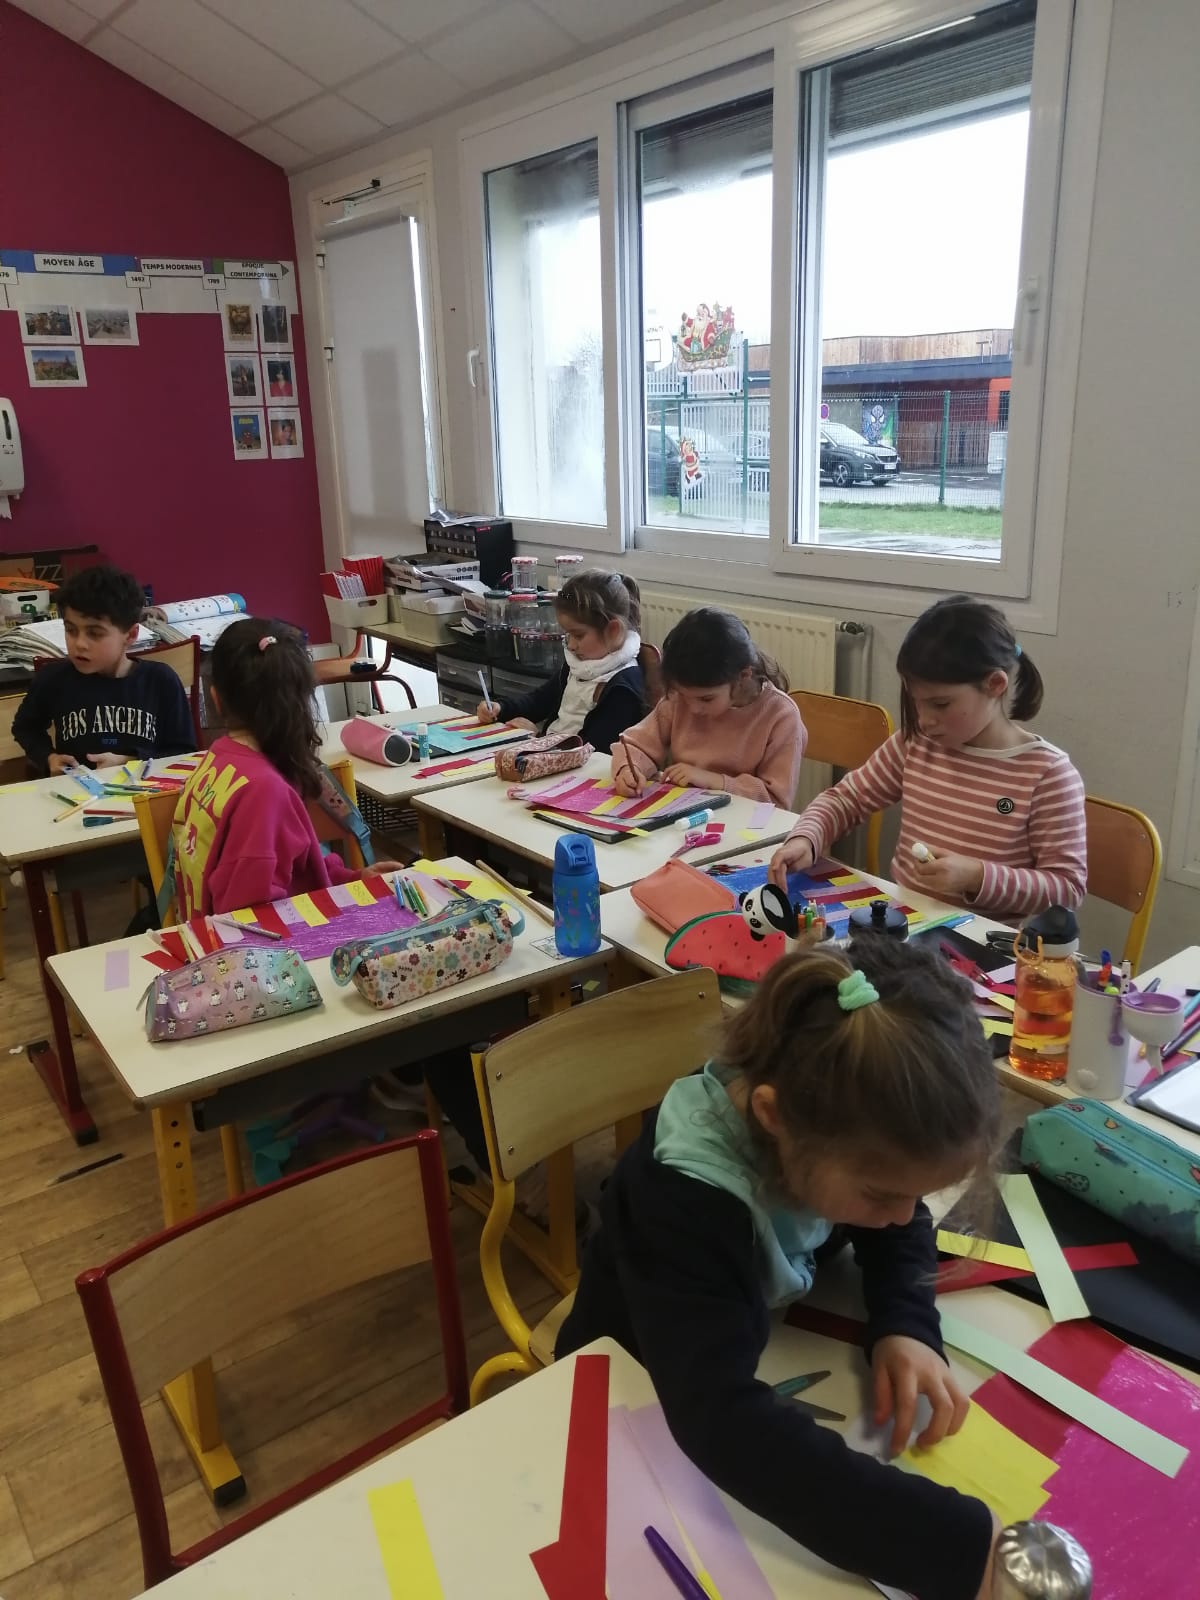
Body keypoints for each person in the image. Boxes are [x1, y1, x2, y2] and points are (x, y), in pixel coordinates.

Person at [557, 940, 1002, 1600]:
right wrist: (957, 1548)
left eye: (916, 1195)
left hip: (753, 1342)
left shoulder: (828, 1122)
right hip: (626, 1386)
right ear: (772, 1117)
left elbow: (897, 1221)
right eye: (881, 1195)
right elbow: (721, 1422)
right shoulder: (683, 1199)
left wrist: (905, 1323)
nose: (905, 1216)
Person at [769, 594, 1086, 919]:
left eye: (940, 704)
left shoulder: (1046, 774)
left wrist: (977, 876)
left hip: (980, 941)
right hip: (906, 923)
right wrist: (806, 838)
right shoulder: (915, 745)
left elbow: (1067, 889)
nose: (923, 720)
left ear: (995, 684)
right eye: (915, 701)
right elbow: (846, 799)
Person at [172, 618, 401, 918]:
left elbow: (299, 864)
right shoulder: (264, 792)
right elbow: (250, 920)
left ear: (216, 698)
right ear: (302, 701)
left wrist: (354, 881)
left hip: (212, 933)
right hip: (263, 941)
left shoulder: (218, 758)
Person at [611, 606, 805, 806]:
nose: (693, 709)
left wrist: (716, 781)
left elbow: (776, 800)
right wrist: (628, 769)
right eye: (684, 696)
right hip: (682, 812)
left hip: (742, 819)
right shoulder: (680, 697)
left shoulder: (781, 715)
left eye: (706, 699)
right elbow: (635, 745)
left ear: (744, 676)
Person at [13, 563, 195, 775]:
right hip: (76, 790)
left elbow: (183, 751)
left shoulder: (160, 680)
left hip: (144, 788)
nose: (80, 643)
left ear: (130, 635)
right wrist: (48, 757)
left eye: (95, 633)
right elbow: (25, 727)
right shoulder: (53, 679)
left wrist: (131, 761)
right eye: (71, 630)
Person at [476, 570, 645, 753]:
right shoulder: (580, 665)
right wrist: (501, 709)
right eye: (568, 634)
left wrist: (538, 738)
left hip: (579, 764)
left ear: (613, 631)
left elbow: (595, 750)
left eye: (578, 635)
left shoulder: (623, 687)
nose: (570, 645)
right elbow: (539, 701)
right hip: (551, 753)